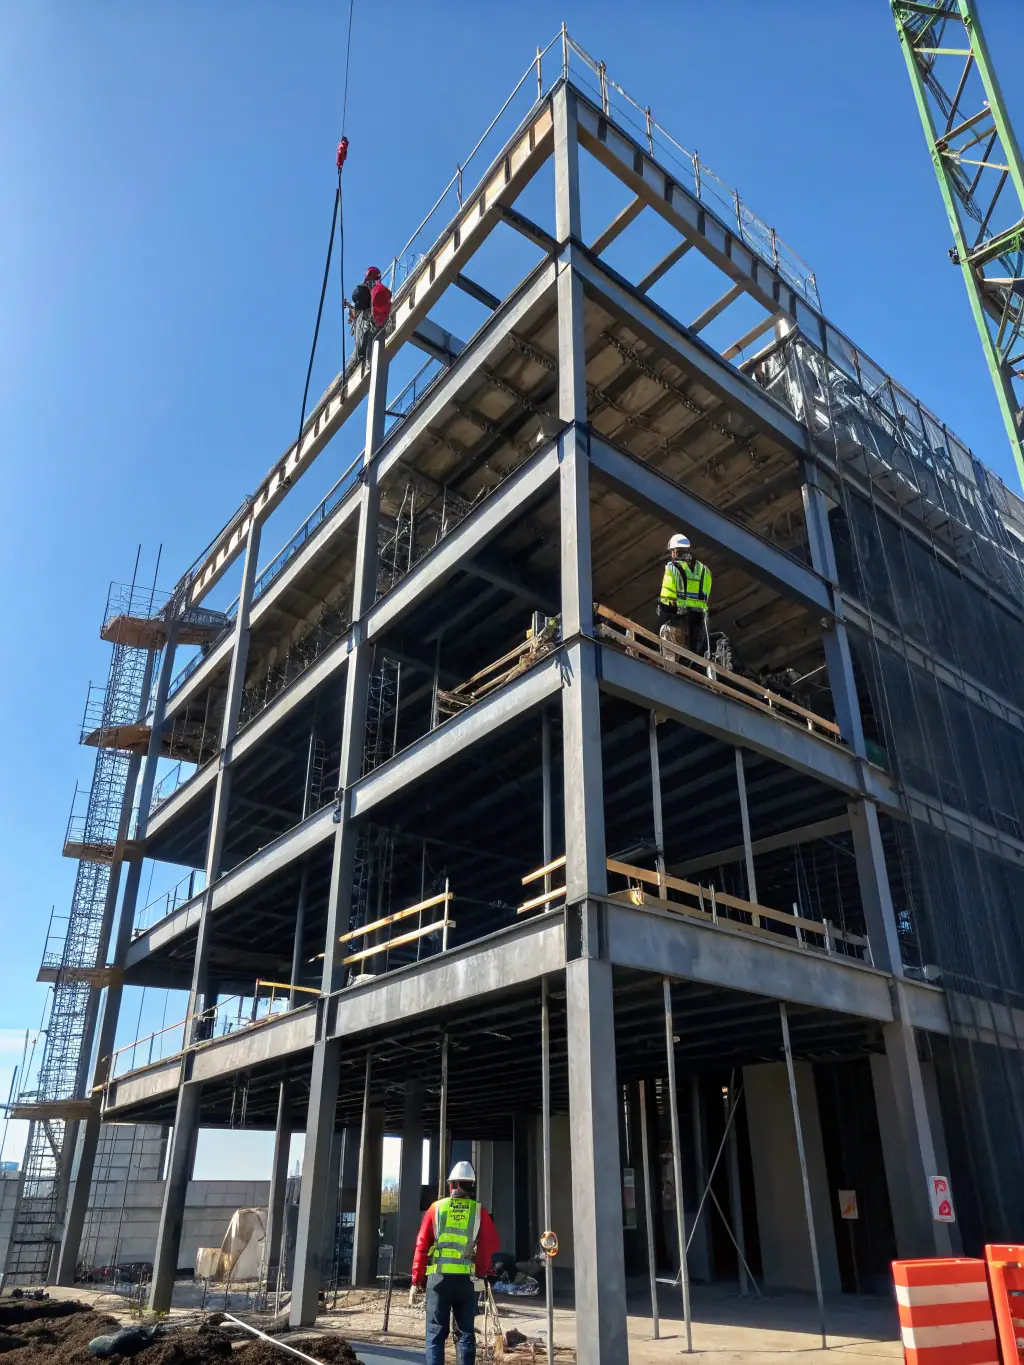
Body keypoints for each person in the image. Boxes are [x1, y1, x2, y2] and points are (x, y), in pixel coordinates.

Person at [410, 1160, 500, 1365]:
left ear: (453, 1185)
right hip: (466, 1281)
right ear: (471, 1185)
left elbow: (421, 1245)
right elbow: (488, 1246)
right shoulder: (478, 1212)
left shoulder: (436, 1208)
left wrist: (416, 1279)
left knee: (435, 1334)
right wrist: (481, 1272)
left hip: (439, 1280)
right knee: (465, 1334)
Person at [658, 532, 712, 658]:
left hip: (678, 619)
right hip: (700, 621)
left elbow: (667, 598)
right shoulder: (705, 570)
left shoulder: (672, 568)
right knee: (695, 658)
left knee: (671, 656)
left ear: (675, 551)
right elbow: (705, 597)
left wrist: (662, 608)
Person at [346, 266, 393, 372]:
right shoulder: (373, 290)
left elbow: (358, 309)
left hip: (368, 324)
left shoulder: (368, 290)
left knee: (367, 339)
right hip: (371, 323)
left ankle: (364, 359)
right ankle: (365, 360)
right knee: (368, 338)